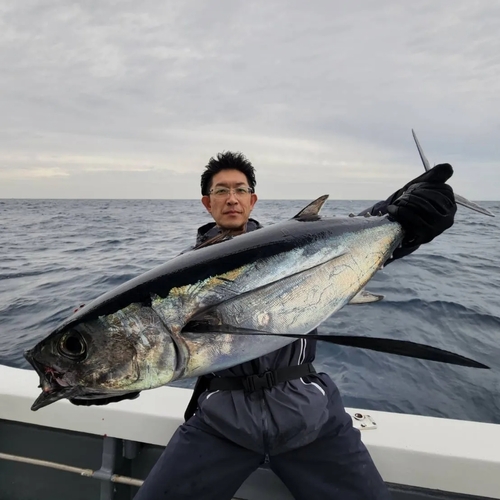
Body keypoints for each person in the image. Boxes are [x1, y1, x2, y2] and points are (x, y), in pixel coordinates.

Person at [134, 151, 457, 500]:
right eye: (220, 191)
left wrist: (405, 216)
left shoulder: (294, 241)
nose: (231, 199)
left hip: (307, 411)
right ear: (206, 202)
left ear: (252, 199)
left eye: (240, 190)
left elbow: (354, 240)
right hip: (222, 420)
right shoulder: (177, 274)